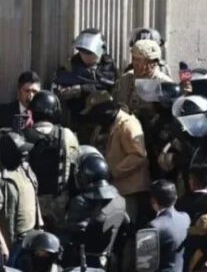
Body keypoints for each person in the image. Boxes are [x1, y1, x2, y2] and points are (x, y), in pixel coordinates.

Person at [82, 91, 151, 230]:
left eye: (95, 113)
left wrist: (112, 171)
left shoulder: (127, 124)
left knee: (127, 229)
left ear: (104, 110)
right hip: (115, 190)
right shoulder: (106, 126)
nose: (93, 119)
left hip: (130, 192)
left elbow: (138, 155)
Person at [23, 90, 80, 235]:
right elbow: (75, 167)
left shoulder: (22, 137)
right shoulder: (67, 135)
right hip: (59, 204)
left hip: (30, 204)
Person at [0, 130, 42, 266]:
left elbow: (34, 196)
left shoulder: (25, 169)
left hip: (31, 236)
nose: (24, 154)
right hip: (13, 242)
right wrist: (1, 243)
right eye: (20, 151)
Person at [53, 28, 118, 144]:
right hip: (79, 120)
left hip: (104, 122)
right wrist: (67, 92)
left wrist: (82, 89)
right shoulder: (70, 66)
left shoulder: (107, 65)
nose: (85, 56)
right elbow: (58, 88)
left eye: (89, 53)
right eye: (82, 52)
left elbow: (110, 86)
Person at [0, 71, 42, 169]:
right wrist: (2, 142)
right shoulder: (4, 111)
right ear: (18, 92)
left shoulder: (44, 114)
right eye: (27, 91)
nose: (31, 96)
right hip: (8, 170)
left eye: (34, 92)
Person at [113, 38, 174, 122]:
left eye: (139, 60)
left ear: (153, 63)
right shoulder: (125, 79)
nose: (135, 64)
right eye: (134, 59)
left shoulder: (164, 84)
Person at [147, 180, 190, 272]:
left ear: (153, 201)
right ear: (175, 198)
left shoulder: (153, 226)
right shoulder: (186, 217)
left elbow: (145, 266)